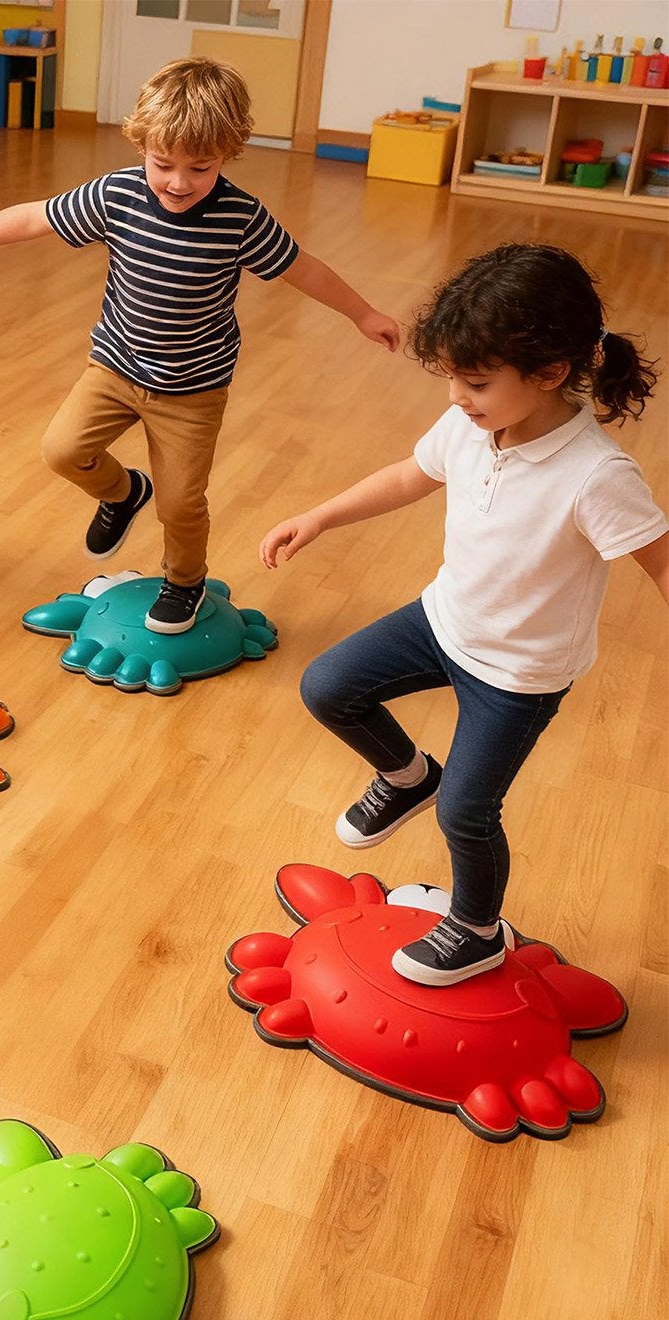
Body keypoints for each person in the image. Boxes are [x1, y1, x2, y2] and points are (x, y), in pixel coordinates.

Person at [262, 243, 667, 986]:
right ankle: (409, 774)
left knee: (468, 814)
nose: (455, 394)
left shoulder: (598, 476)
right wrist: (319, 516)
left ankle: (476, 929)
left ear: (548, 374)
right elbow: (410, 475)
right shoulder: (473, 426)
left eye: (474, 380)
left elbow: (661, 561)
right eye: (449, 374)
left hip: (518, 671)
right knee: (327, 686)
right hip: (443, 619)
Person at [0, 56, 398, 633]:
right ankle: (122, 492)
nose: (179, 182)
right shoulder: (118, 194)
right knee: (61, 451)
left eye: (200, 167)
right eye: (163, 163)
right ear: (142, 146)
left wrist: (362, 313)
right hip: (114, 367)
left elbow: (301, 268)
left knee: (182, 504)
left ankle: (183, 581)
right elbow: (34, 218)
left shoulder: (240, 216)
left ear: (227, 154)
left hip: (193, 389)